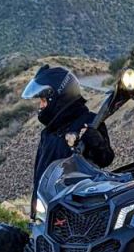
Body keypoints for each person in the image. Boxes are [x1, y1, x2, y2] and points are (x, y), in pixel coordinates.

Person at [22, 64, 115, 215]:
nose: (41, 106)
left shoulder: (90, 122)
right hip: (48, 210)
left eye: (44, 101)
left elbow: (106, 159)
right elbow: (40, 175)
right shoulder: (49, 131)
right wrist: (35, 213)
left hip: (80, 211)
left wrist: (94, 139)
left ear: (58, 99)